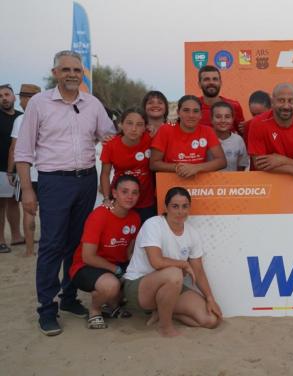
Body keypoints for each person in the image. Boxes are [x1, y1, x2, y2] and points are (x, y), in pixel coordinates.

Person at [15, 50, 117, 335]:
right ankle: (47, 309)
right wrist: (27, 190)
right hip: (53, 182)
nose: (72, 74)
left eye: (77, 70)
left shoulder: (92, 104)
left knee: (76, 244)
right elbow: (23, 152)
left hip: (86, 180)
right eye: (66, 69)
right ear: (55, 72)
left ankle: (69, 299)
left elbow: (107, 136)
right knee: (51, 245)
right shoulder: (39, 104)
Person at [123, 187, 222, 337]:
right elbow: (156, 262)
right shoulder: (153, 224)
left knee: (211, 320)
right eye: (175, 206)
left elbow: (199, 271)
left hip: (170, 288)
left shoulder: (192, 233)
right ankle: (165, 327)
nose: (180, 211)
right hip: (138, 287)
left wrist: (210, 298)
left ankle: (162, 312)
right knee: (175, 273)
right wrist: (183, 264)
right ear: (166, 207)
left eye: (184, 206)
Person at [69, 175, 141, 329]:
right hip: (85, 267)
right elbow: (88, 257)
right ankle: (95, 310)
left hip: (114, 266)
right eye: (125, 191)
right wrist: (116, 270)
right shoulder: (99, 215)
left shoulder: (135, 218)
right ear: (114, 193)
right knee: (111, 285)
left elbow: (129, 252)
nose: (130, 196)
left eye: (135, 193)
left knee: (134, 286)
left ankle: (112, 303)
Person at [247, 83, 293, 179]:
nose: (286, 106)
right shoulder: (258, 123)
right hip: (263, 183)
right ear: (272, 102)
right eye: (281, 100)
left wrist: (283, 160)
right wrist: (291, 169)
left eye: (290, 101)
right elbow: (259, 164)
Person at [100, 109, 156, 223]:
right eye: (129, 123)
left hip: (146, 202)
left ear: (145, 127)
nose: (134, 129)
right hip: (120, 201)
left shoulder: (150, 139)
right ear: (121, 124)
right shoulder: (111, 145)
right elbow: (105, 174)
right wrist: (106, 198)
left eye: (139, 125)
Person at [150, 95, 227, 178]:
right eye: (186, 110)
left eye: (195, 111)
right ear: (178, 112)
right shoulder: (165, 129)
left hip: (198, 186)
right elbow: (154, 164)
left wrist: (197, 168)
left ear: (201, 114)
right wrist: (178, 168)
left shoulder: (207, 131)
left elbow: (222, 161)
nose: (191, 115)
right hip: (170, 184)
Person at [7, 83, 41, 257]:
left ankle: (29, 250)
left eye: (22, 97)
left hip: (27, 173)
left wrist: (10, 171)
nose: (20, 101)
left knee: (29, 212)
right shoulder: (48, 115)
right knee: (48, 213)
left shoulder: (20, 120)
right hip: (47, 172)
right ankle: (46, 248)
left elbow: (14, 148)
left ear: (29, 99)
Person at [0, 84, 24, 253]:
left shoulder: (21, 117)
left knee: (14, 202)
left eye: (7, 94)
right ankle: (1, 240)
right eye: (0, 96)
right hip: (0, 168)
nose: (4, 98)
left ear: (14, 97)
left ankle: (16, 236)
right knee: (0, 205)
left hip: (17, 167)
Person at [196, 65, 245, 133]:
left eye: (215, 79)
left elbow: (242, 134)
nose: (211, 82)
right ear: (199, 84)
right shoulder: (193, 107)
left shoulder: (234, 106)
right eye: (206, 79)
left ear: (220, 83)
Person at [211, 102, 249, 171]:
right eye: (218, 117)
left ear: (232, 119)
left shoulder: (238, 140)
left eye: (227, 117)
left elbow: (241, 167)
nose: (223, 120)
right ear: (211, 119)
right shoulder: (205, 139)